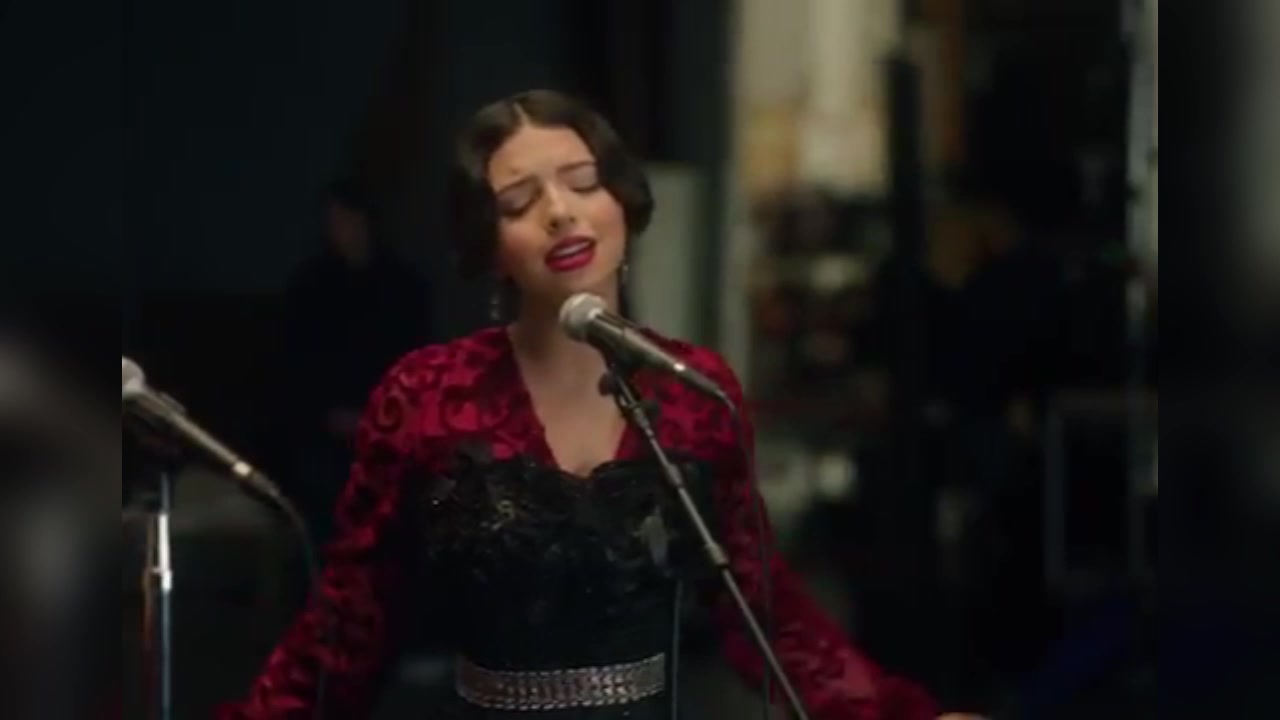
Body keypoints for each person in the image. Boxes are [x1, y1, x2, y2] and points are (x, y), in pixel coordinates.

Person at [219, 90, 959, 720]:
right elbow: (346, 629)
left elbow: (765, 611)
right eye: (519, 201)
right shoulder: (425, 398)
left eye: (582, 183)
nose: (560, 213)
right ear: (491, 246)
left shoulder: (691, 389)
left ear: (623, 206)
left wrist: (898, 714)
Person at [280, 182, 435, 545]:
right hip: (326, 434)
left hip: (390, 428)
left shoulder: (402, 286)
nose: (340, 230)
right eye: (333, 222)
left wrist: (380, 416)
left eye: (347, 220)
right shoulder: (311, 287)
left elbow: (418, 359)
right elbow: (299, 364)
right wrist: (328, 414)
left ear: (367, 221)